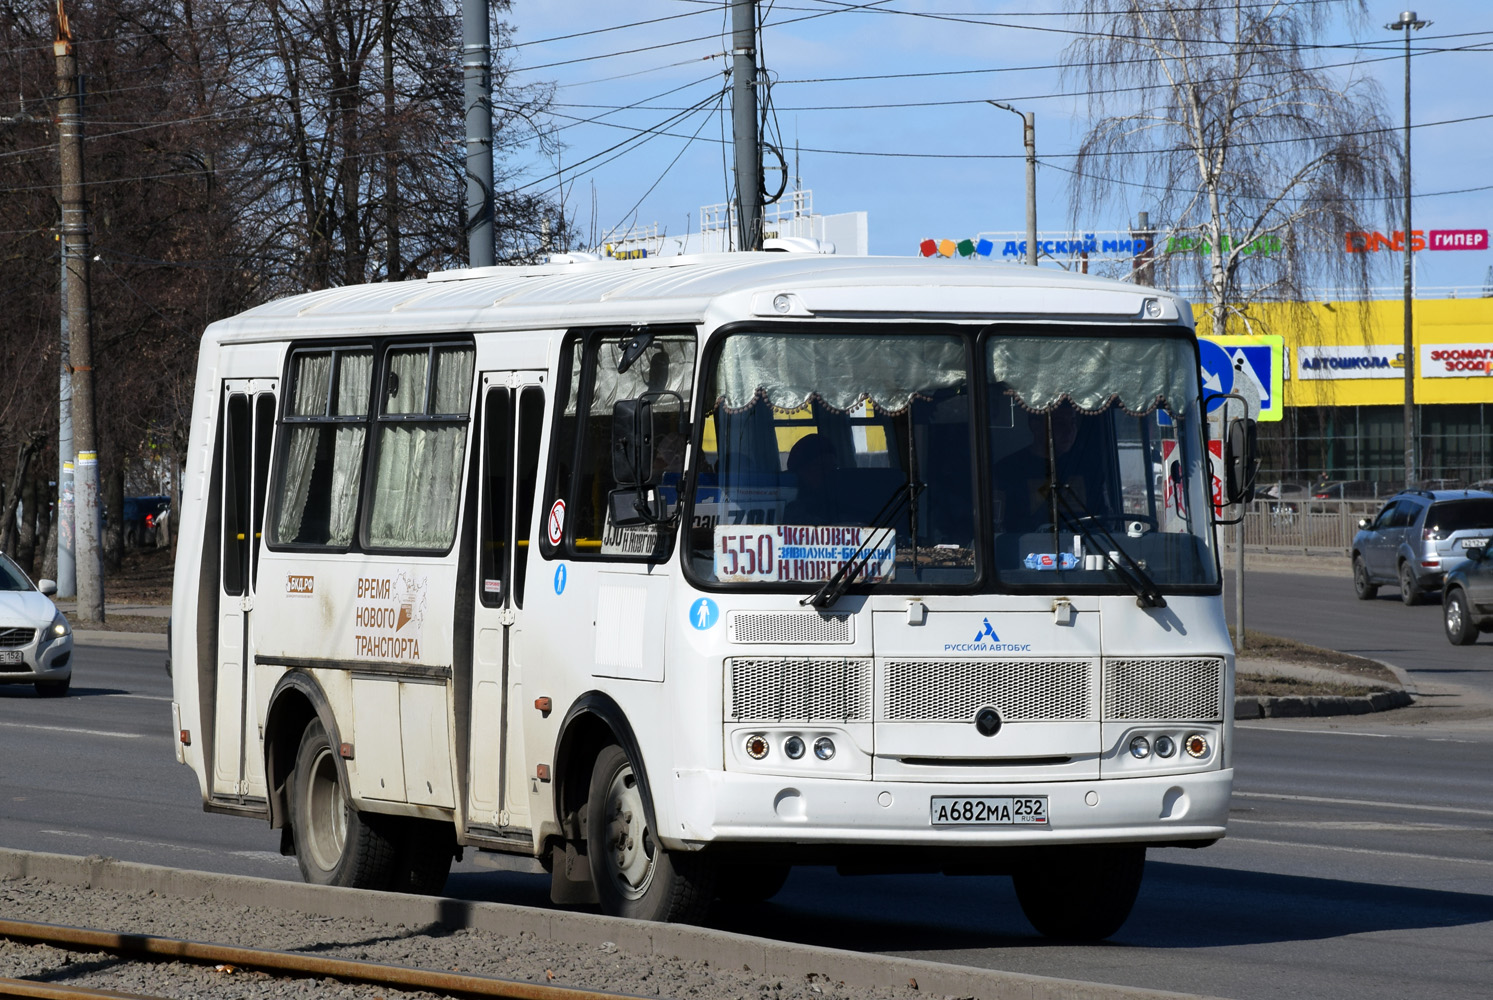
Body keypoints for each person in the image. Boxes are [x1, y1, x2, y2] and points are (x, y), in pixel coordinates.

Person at [995, 403, 1107, 531]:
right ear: (1035, 427)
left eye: (1073, 422)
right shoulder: (1009, 470)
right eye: (1060, 423)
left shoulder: (1088, 468)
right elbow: (1003, 528)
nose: (1069, 431)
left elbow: (1104, 522)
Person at [783, 434, 840, 524]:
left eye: (833, 468)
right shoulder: (786, 502)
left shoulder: (836, 499)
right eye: (821, 467)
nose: (828, 473)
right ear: (800, 470)